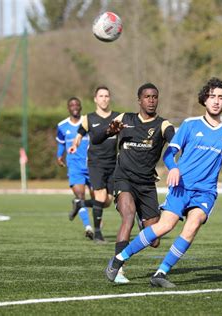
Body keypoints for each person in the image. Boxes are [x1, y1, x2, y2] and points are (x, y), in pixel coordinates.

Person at [104, 77, 222, 288]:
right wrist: (174, 168)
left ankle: (161, 273)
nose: (216, 101)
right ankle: (119, 259)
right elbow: (170, 154)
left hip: (205, 192)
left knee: (192, 226)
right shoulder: (190, 125)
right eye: (212, 97)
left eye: (220, 97)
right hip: (181, 187)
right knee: (164, 226)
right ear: (204, 100)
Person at [92, 83, 175, 284]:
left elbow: (177, 142)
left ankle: (143, 220)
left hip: (147, 185)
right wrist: (108, 130)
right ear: (139, 100)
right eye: (147, 97)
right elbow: (95, 138)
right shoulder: (124, 119)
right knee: (127, 215)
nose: (151, 100)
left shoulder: (163, 125)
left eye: (155, 96)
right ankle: (118, 268)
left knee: (154, 240)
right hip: (123, 179)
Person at [69, 86, 119, 243]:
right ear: (95, 99)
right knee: (100, 196)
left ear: (109, 98)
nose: (104, 99)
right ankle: (98, 234)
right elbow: (79, 135)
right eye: (101, 96)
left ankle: (80, 204)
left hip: (113, 163)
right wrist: (75, 145)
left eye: (106, 96)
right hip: (96, 162)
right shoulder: (88, 118)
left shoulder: (118, 117)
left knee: (107, 201)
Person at [56, 97, 95, 240]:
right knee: (80, 196)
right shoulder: (62, 126)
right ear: (68, 108)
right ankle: (88, 227)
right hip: (74, 167)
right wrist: (59, 156)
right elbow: (60, 144)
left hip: (92, 165)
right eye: (72, 104)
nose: (75, 107)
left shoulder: (88, 122)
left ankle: (92, 217)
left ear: (81, 107)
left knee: (99, 199)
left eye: (77, 104)